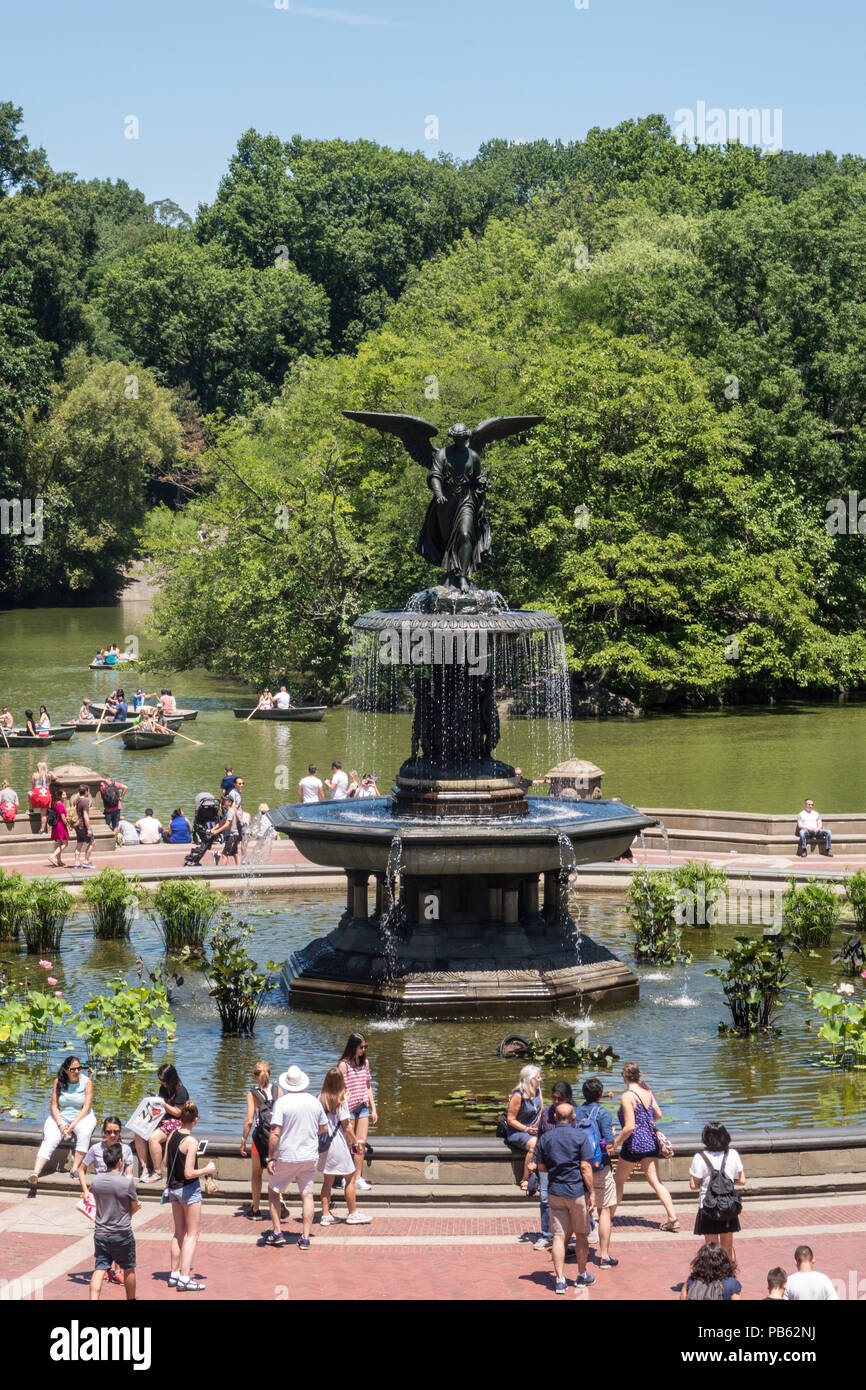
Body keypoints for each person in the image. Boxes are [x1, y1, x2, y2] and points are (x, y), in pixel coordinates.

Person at [610, 1063, 680, 1231]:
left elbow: (629, 1127)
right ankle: (672, 1217)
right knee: (656, 1181)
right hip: (650, 1141)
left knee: (618, 1180)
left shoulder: (627, 1096)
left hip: (634, 1143)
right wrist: (644, 1123)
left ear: (624, 1077)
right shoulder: (647, 1092)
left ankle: (609, 1216)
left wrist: (616, 1142)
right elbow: (658, 1114)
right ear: (638, 1076)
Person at [534, 1103, 596, 1294]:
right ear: (573, 1117)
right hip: (576, 1191)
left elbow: (540, 1167)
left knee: (559, 1237)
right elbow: (586, 1167)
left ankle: (560, 1280)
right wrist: (592, 1192)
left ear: (554, 1117)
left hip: (555, 1191)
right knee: (581, 1234)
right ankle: (581, 1274)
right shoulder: (580, 1136)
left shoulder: (546, 1138)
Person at [265, 1065, 328, 1250]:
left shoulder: (282, 1103)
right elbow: (324, 1127)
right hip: (308, 1155)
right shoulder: (314, 1102)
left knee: (274, 1193)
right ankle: (305, 1237)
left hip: (286, 1155)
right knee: (307, 1195)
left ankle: (277, 1232)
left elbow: (275, 1132)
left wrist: (270, 1157)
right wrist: (310, 1133)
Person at [165, 1101, 216, 1291]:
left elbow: (165, 1162)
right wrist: (207, 1169)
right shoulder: (192, 1142)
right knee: (193, 1234)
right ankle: (185, 1277)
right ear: (195, 1121)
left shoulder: (172, 1135)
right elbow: (189, 1173)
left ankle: (174, 1273)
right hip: (188, 1189)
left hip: (173, 1189)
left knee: (179, 1231)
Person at [30, 1056, 96, 1186]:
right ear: (66, 1070)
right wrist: (61, 1124)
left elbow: (86, 1107)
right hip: (61, 1116)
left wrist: (71, 1127)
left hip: (83, 1116)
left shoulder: (87, 1082)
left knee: (84, 1133)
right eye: (73, 1069)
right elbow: (54, 1106)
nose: (77, 1071)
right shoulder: (58, 1082)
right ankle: (35, 1173)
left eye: (79, 1068)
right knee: (50, 1139)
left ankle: (75, 1168)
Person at [317, 1068, 370, 1225]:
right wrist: (356, 1142)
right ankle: (352, 1213)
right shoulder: (342, 1100)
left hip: (325, 1146)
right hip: (338, 1145)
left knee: (327, 1181)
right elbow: (347, 1126)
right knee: (350, 1178)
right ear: (341, 1082)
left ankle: (325, 1215)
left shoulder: (319, 1098)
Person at [575, 1077, 619, 1267]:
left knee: (580, 1210)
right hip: (599, 1167)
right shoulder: (603, 1113)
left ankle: (578, 1254)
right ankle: (604, 1256)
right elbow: (609, 1146)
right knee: (604, 1211)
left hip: (578, 1167)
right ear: (600, 1095)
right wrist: (614, 1136)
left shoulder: (575, 1112)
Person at [89, 1143, 141, 1302]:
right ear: (120, 1161)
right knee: (129, 1268)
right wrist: (134, 1209)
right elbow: (133, 1206)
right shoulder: (126, 1183)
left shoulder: (96, 1181)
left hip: (101, 1232)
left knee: (100, 1268)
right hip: (122, 1233)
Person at [688, 1121, 746, 1261]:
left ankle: (713, 1278)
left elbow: (693, 1185)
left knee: (712, 1248)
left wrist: (706, 1184)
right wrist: (729, 1184)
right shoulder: (732, 1154)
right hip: (728, 1204)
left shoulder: (699, 1157)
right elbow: (742, 1180)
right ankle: (729, 1276)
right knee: (727, 1247)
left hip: (708, 1206)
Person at [527, 1079, 573, 1251]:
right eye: (554, 1098)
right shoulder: (546, 1113)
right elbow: (539, 1139)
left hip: (566, 1165)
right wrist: (534, 1160)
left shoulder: (572, 1115)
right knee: (545, 1199)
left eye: (559, 1099)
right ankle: (546, 1235)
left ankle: (577, 1230)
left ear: (568, 1098)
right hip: (546, 1164)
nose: (555, 1102)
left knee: (571, 1201)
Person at [135, 1062, 190, 1183]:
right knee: (138, 1132)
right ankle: (145, 1168)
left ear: (171, 1078)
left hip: (176, 1121)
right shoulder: (163, 1088)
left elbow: (178, 1112)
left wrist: (163, 1103)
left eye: (164, 1080)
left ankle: (157, 1171)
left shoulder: (181, 1091)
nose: (162, 1083)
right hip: (163, 1118)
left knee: (153, 1138)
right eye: (160, 1080)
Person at [241, 1062, 283, 1219]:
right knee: (277, 1174)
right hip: (277, 1136)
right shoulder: (278, 1090)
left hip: (259, 1138)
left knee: (257, 1174)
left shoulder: (252, 1094)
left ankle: (256, 1209)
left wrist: (243, 1139)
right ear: (270, 1074)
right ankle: (279, 1201)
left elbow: (249, 1120)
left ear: (255, 1076)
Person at [338, 1033, 377, 1193]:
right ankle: (346, 1177)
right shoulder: (343, 1065)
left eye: (365, 1047)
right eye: (361, 1047)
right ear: (353, 1046)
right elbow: (337, 1087)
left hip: (362, 1107)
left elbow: (368, 1085)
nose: (364, 1050)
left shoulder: (364, 1063)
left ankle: (358, 1177)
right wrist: (342, 1100)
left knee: (360, 1143)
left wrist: (374, 1108)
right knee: (349, 1144)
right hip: (348, 1108)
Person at [505, 1064, 543, 1190]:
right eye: (538, 1077)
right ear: (530, 1079)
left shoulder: (538, 1090)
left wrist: (540, 1125)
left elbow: (541, 1109)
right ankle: (525, 1179)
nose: (540, 1079)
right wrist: (526, 1129)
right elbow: (510, 1119)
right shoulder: (518, 1095)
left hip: (535, 1128)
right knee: (535, 1144)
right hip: (518, 1131)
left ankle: (544, 1177)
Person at [72, 783, 95, 870]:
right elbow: (85, 816)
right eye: (88, 791)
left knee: (79, 844)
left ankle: (76, 863)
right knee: (92, 842)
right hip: (83, 825)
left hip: (77, 825)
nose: (89, 792)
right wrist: (89, 828)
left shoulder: (76, 800)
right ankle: (86, 861)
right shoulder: (85, 801)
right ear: (86, 791)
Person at [47, 788, 70, 868]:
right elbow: (63, 817)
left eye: (65, 794)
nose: (65, 796)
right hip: (61, 826)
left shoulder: (57, 804)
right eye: (63, 795)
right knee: (65, 843)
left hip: (57, 826)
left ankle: (59, 860)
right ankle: (52, 856)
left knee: (59, 843)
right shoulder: (60, 805)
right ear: (60, 796)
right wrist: (68, 825)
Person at [30, 763, 51, 833]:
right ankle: (42, 830)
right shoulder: (48, 775)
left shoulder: (35, 775)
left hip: (38, 795)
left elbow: (33, 786)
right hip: (46, 796)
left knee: (29, 794)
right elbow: (55, 777)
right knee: (43, 814)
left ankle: (31, 809)